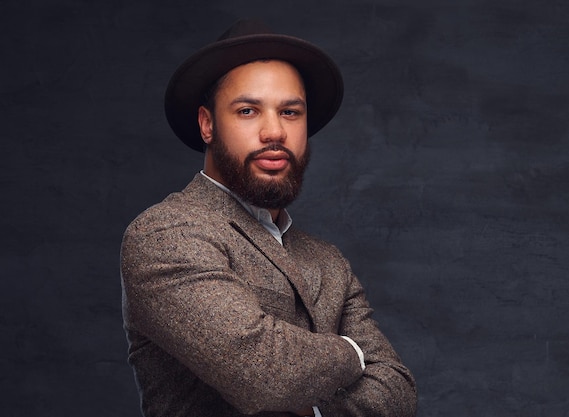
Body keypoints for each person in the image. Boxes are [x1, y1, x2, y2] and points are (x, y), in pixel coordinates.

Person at [120, 19, 417, 417]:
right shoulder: (165, 234)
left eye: (290, 112)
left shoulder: (328, 261)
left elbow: (397, 390)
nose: (274, 131)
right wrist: (353, 352)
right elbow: (268, 375)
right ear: (208, 124)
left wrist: (314, 408)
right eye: (247, 111)